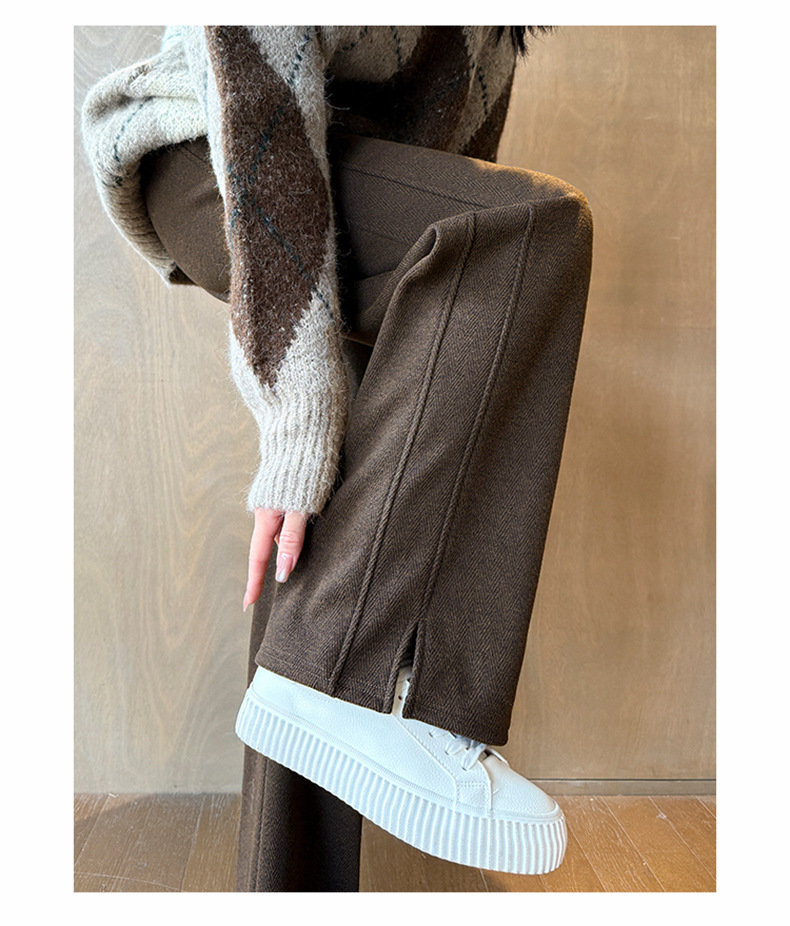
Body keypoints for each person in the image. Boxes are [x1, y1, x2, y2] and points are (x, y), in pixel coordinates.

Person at [82, 25, 593, 891]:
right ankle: (362, 684)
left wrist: (365, 426)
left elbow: (451, 230)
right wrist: (297, 417)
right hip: (217, 146)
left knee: (341, 503)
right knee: (534, 225)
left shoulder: (501, 30)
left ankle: (291, 887)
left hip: (339, 180)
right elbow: (258, 92)